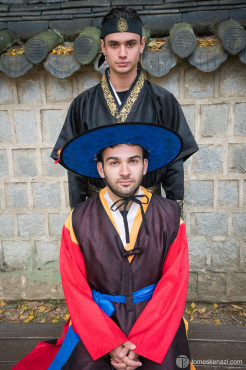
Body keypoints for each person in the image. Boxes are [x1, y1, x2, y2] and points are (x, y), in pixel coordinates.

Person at [15, 122, 195, 369]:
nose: (124, 172)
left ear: (145, 165)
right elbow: (75, 289)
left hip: (156, 321)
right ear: (100, 168)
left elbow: (173, 284)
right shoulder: (77, 221)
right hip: (99, 321)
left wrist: (141, 344)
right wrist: (109, 343)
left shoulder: (171, 217)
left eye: (133, 161)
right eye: (114, 162)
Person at [51, 7, 199, 210]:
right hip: (99, 212)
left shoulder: (163, 101)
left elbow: (174, 163)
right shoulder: (82, 104)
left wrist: (175, 216)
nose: (122, 53)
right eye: (114, 45)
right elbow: (75, 165)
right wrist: (78, 217)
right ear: (103, 47)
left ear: (142, 45)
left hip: (150, 210)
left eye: (130, 44)